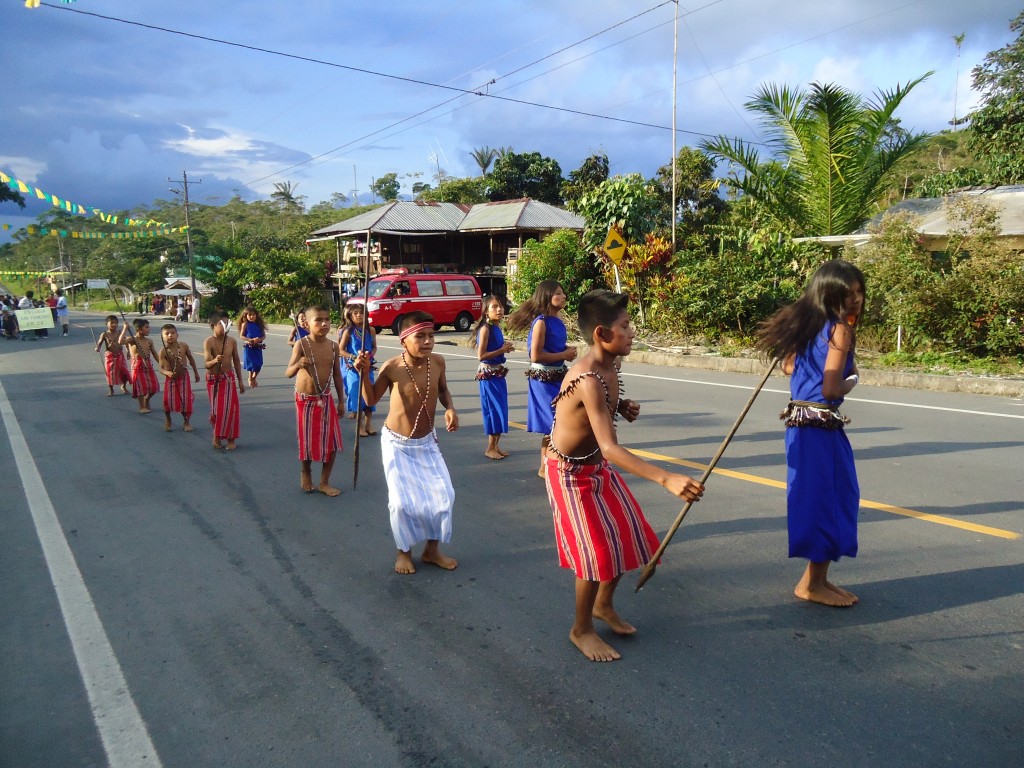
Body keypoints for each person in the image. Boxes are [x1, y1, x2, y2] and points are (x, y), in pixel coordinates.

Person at [545, 290, 705, 662]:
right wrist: (667, 479)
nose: (632, 333)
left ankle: (603, 605)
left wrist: (623, 406)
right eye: (625, 327)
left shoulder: (611, 366)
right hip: (570, 474)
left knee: (628, 537)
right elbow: (612, 447)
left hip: (596, 466)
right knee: (596, 553)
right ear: (601, 334)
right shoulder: (587, 377)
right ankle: (580, 629)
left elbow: (599, 413)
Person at [756, 259, 865, 608]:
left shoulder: (808, 326)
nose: (857, 299)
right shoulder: (838, 331)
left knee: (828, 498)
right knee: (828, 502)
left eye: (860, 292)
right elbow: (832, 389)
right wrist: (854, 379)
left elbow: (788, 366)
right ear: (832, 294)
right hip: (819, 428)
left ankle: (819, 579)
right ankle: (810, 584)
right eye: (851, 293)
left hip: (803, 427)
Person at [354, 311, 459, 575]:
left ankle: (431, 551)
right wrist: (365, 374)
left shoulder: (438, 362)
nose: (427, 341)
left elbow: (444, 390)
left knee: (444, 495)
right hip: (397, 444)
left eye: (431, 335)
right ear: (404, 341)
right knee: (402, 503)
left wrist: (450, 408)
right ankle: (404, 552)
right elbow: (370, 399)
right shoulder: (392, 367)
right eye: (420, 336)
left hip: (426, 442)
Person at [506, 280, 578, 476]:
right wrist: (564, 355)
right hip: (543, 379)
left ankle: (549, 465)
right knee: (552, 422)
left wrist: (565, 351)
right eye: (558, 293)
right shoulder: (541, 322)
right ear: (547, 297)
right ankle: (545, 466)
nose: (563, 296)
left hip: (558, 375)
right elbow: (535, 356)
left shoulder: (558, 320)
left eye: (563, 293)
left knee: (560, 420)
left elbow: (553, 347)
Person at [285, 306, 345, 496]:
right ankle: (306, 470)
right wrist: (298, 364)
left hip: (325, 398)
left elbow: (337, 374)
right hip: (306, 400)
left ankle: (324, 482)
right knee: (308, 442)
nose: (324, 323)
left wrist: (341, 401)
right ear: (307, 323)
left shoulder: (334, 346)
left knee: (333, 442)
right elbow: (288, 373)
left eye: (327, 319)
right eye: (318, 320)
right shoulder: (301, 345)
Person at [472, 295, 514, 460]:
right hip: (489, 375)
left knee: (500, 409)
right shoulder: (485, 329)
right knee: (492, 410)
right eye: (494, 307)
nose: (499, 310)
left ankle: (496, 446)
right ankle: (490, 447)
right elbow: (481, 355)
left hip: (497, 374)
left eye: (501, 306)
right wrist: (502, 350)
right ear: (486, 312)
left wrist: (503, 349)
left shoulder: (496, 328)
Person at [203, 312, 245, 450]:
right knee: (218, 411)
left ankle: (230, 439)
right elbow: (207, 364)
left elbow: (236, 361)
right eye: (222, 324)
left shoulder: (232, 341)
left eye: (227, 323)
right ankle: (217, 434)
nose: (225, 326)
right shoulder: (208, 342)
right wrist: (215, 360)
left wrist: (240, 381)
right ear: (212, 326)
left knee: (231, 410)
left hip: (228, 379)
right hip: (214, 380)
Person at [338, 303, 377, 437]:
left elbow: (374, 347)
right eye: (355, 313)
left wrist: (370, 355)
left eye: (362, 313)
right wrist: (354, 357)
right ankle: (359, 426)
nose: (359, 315)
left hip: (368, 367)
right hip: (353, 369)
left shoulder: (370, 330)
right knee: (356, 396)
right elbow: (340, 350)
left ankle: (368, 424)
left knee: (369, 395)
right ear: (350, 315)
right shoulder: (348, 331)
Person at [157, 323, 200, 432]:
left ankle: (186, 421)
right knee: (167, 400)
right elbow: (161, 368)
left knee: (185, 401)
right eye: (167, 334)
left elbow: (191, 359)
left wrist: (196, 373)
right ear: (162, 337)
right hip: (171, 379)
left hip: (184, 377)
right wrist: (168, 373)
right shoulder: (163, 351)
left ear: (177, 335)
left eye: (172, 333)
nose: (170, 335)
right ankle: (168, 420)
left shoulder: (184, 346)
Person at [120, 318, 161, 413]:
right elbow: (120, 342)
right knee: (140, 387)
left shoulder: (149, 341)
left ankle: (147, 399)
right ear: (139, 329)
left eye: (149, 327)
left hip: (148, 364)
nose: (149, 329)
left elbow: (154, 354)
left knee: (154, 386)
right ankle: (142, 406)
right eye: (146, 327)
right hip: (137, 366)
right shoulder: (132, 340)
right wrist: (125, 329)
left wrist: (162, 364)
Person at [95, 315, 130, 396]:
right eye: (112, 323)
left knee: (124, 372)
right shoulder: (104, 334)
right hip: (109, 356)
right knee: (109, 374)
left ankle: (123, 386)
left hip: (120, 355)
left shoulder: (120, 333)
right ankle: (111, 390)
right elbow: (99, 343)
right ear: (107, 324)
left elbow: (125, 343)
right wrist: (97, 347)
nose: (114, 325)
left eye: (116, 323)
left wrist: (128, 351)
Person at [238, 305, 267, 388]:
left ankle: (253, 378)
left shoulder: (259, 325)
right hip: (249, 347)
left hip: (258, 347)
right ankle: (250, 378)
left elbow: (264, 336)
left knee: (258, 364)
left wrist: (259, 339)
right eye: (249, 315)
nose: (251, 317)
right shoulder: (245, 324)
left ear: (256, 315)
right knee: (251, 365)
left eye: (253, 315)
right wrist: (250, 340)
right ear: (246, 316)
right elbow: (241, 336)